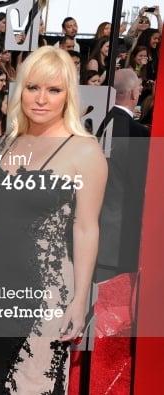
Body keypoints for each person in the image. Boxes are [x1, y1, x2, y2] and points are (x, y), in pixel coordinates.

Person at [0, 46, 107, 393]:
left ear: (69, 94)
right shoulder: (10, 141)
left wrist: (80, 301)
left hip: (46, 296)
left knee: (34, 384)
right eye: (33, 87)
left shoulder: (84, 150)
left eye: (54, 90)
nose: (41, 99)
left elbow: (86, 228)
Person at [95, 69, 149, 281]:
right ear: (134, 95)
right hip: (120, 237)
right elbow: (140, 185)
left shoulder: (94, 123)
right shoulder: (138, 133)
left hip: (89, 230)